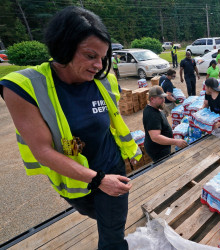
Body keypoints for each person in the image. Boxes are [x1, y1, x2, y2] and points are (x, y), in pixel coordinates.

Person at [0, 6, 141, 249]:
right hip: (75, 181)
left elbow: (109, 125)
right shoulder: (23, 87)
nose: (99, 65)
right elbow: (42, 150)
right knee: (97, 214)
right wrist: (97, 180)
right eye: (90, 56)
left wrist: (119, 165)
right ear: (64, 48)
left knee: (112, 236)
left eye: (103, 57)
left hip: (112, 167)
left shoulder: (105, 80)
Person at [143, 86, 187, 161]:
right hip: (158, 150)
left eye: (163, 97)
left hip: (163, 146)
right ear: (152, 99)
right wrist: (175, 142)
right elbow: (155, 137)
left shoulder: (156, 108)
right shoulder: (152, 115)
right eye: (160, 98)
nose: (164, 100)